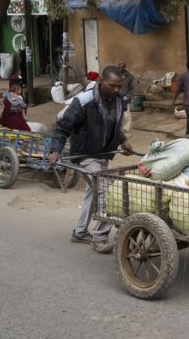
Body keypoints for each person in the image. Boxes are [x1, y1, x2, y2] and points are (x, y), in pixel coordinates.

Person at [48, 66, 134, 254]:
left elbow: (112, 123)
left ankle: (79, 232)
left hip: (104, 153)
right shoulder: (84, 101)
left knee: (92, 191)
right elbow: (63, 127)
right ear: (101, 82)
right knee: (105, 190)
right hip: (85, 154)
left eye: (119, 86)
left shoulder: (119, 100)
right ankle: (100, 237)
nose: (117, 89)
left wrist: (123, 140)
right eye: (112, 85)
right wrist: (55, 150)